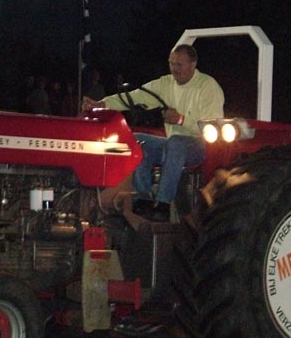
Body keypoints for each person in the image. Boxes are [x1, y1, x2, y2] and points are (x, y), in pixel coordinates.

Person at [81, 44, 224, 221]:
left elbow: (211, 129)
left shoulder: (208, 88)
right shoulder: (165, 83)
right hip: (172, 143)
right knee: (136, 140)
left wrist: (180, 120)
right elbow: (135, 96)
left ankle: (163, 204)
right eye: (171, 64)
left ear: (193, 64)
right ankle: (144, 198)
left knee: (176, 143)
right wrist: (102, 104)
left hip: (199, 146)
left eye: (179, 64)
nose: (174, 69)